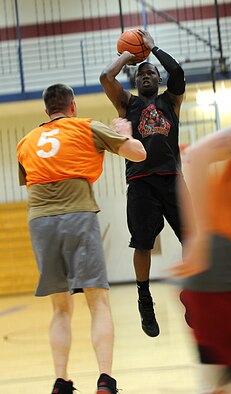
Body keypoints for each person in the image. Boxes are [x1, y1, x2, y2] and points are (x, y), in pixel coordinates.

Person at [16, 83, 146, 394]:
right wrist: (125, 131)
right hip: (78, 214)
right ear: (72, 107)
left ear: (47, 110)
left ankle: (61, 381)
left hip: (40, 221)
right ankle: (105, 380)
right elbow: (138, 155)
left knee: (61, 308)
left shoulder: (26, 141)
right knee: (98, 301)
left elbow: (30, 180)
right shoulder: (86, 127)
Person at [100, 29, 186, 337]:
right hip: (140, 182)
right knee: (143, 244)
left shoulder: (171, 102)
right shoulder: (128, 106)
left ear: (158, 80)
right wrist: (128, 54)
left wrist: (153, 48)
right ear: (136, 82)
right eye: (141, 75)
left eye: (150, 73)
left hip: (173, 180)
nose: (146, 76)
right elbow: (105, 78)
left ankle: (191, 291)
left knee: (192, 238)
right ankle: (144, 298)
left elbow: (177, 71)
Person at [169, 124, 231, 394]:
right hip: (222, 266)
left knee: (219, 380)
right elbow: (197, 155)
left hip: (217, 270)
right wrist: (198, 236)